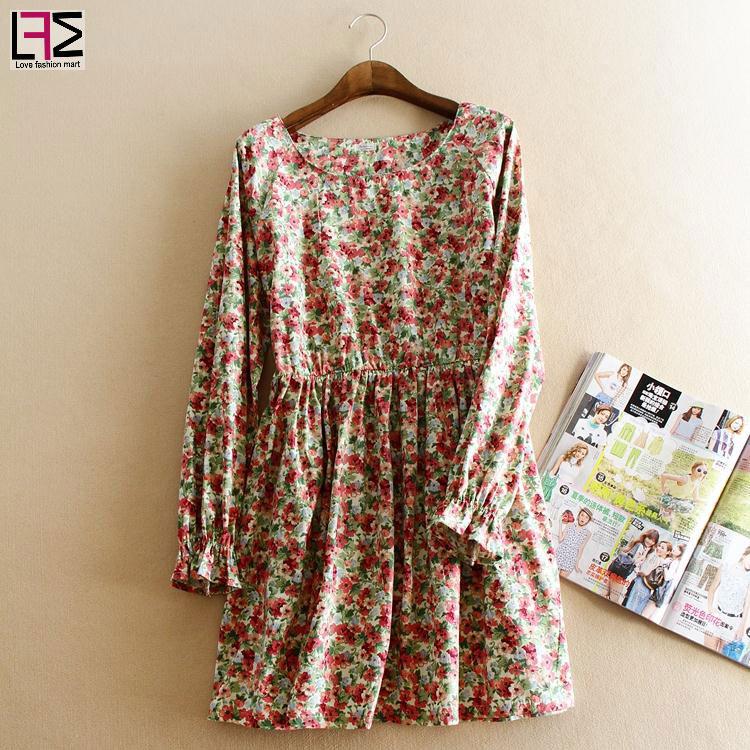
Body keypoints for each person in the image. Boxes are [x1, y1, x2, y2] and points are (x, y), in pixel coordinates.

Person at [704, 545, 750, 657]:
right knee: (706, 654)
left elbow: (747, 603)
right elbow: (712, 588)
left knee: (722, 658)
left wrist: (741, 627)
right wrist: (710, 608)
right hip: (717, 616)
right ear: (744, 555)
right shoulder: (726, 566)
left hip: (734, 621)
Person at [606, 529, 659, 604]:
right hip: (622, 573)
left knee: (607, 593)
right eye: (649, 538)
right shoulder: (640, 546)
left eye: (653, 541)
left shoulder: (640, 545)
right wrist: (644, 555)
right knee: (615, 598)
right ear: (645, 536)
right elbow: (633, 561)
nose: (650, 542)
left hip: (617, 570)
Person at [622, 540, 673, 615]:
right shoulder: (662, 561)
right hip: (646, 587)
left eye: (662, 548)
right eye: (659, 546)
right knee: (635, 609)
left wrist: (640, 571)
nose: (659, 548)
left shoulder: (659, 560)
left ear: (668, 552)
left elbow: (644, 571)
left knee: (630, 608)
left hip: (642, 584)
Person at [657, 461, 708, 531]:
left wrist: (708, 502)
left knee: (690, 506)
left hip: (678, 500)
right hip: (669, 497)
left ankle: (669, 510)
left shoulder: (697, 482)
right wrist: (663, 488)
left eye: (704, 472)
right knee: (687, 507)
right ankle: (665, 509)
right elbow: (664, 475)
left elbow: (696, 498)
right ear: (693, 470)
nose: (701, 473)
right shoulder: (685, 479)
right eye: (699, 470)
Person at [642, 543, 685, 621]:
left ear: (681, 554)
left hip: (660, 592)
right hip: (659, 590)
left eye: (679, 549)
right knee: (648, 614)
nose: (675, 549)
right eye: (676, 547)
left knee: (646, 614)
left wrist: (665, 566)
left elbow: (667, 577)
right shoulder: (671, 560)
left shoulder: (675, 563)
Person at [556, 507, 593, 579]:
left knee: (561, 581)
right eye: (582, 515)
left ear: (588, 521)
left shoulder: (588, 533)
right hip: (560, 552)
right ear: (578, 516)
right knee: (550, 577)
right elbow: (560, 539)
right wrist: (560, 523)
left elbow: (581, 548)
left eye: (586, 517)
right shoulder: (570, 524)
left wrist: (576, 564)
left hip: (571, 558)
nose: (583, 518)